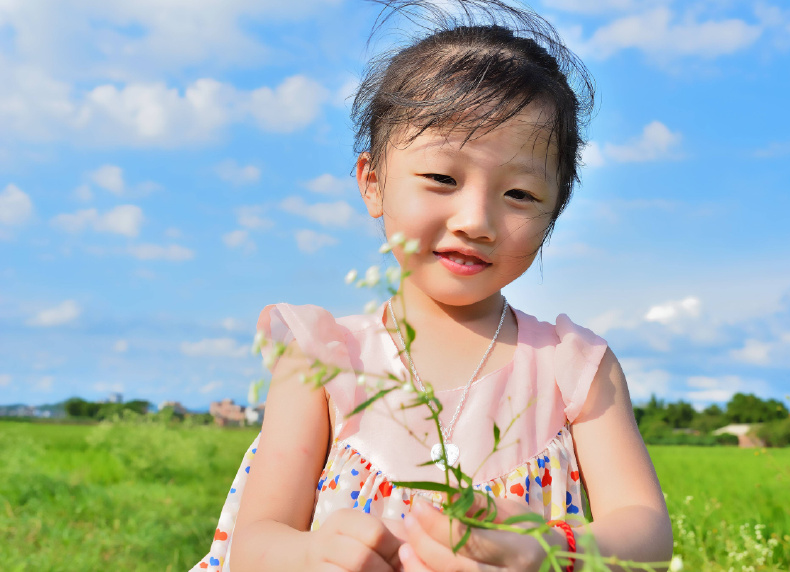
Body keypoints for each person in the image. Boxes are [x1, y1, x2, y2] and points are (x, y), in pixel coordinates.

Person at [192, 2, 672, 570]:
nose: (475, 221)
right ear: (373, 182)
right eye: (442, 178)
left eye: (520, 194)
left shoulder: (574, 367)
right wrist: (314, 554)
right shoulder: (323, 359)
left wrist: (549, 549)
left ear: (554, 213)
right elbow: (255, 542)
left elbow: (645, 530)